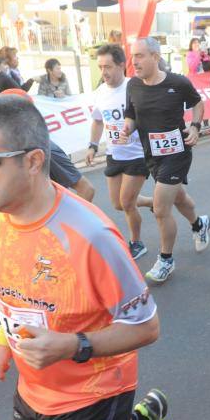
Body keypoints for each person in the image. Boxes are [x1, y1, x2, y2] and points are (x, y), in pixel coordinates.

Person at [0, 94, 166, 420]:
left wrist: (74, 345)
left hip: (97, 385)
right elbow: (10, 290)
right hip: (37, 383)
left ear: (34, 161)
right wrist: (3, 342)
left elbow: (147, 327)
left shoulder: (91, 236)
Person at [121, 37, 210, 283]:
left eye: (139, 56)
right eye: (132, 56)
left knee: (161, 208)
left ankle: (166, 260)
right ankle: (199, 224)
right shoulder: (133, 86)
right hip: (152, 154)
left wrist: (195, 127)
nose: (134, 61)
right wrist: (126, 129)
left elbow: (198, 104)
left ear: (155, 57)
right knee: (177, 196)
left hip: (177, 152)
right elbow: (131, 114)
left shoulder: (177, 82)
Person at [85, 44, 154, 259]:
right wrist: (93, 146)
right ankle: (153, 202)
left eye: (108, 67)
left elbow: (151, 118)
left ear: (122, 65)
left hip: (137, 154)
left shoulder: (135, 87)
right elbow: (98, 121)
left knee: (126, 203)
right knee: (117, 204)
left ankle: (136, 242)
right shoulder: (100, 93)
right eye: (100, 67)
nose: (104, 72)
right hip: (114, 154)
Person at [0, 88, 95, 202]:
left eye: (4, 115)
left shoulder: (45, 149)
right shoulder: (9, 147)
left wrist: (64, 219)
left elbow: (86, 189)